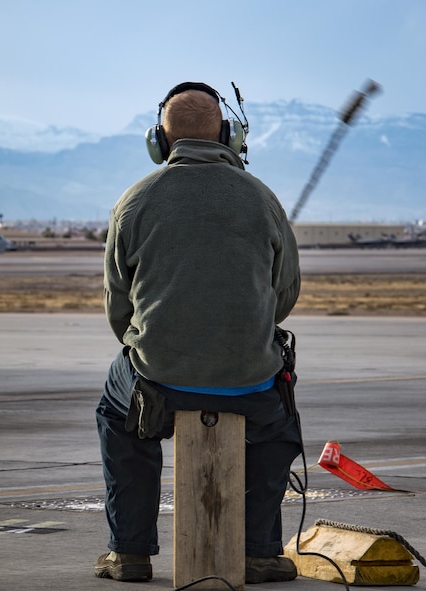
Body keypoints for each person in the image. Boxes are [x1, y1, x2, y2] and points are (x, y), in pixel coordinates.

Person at [94, 82, 302, 585]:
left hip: (158, 382)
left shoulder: (134, 200)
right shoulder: (263, 198)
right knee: (277, 433)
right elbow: (286, 296)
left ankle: (130, 554)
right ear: (227, 136)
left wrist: (154, 344)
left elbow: (117, 309)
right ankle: (258, 551)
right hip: (251, 387)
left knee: (116, 415)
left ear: (159, 142)